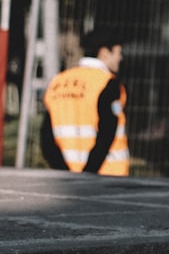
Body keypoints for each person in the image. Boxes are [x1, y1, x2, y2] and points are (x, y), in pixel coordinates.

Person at [41, 29, 130, 176]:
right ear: (104, 53)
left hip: (69, 179)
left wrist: (67, 173)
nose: (121, 58)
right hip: (108, 177)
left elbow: (47, 141)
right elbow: (107, 133)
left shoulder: (58, 82)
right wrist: (88, 173)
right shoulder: (107, 83)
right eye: (118, 53)